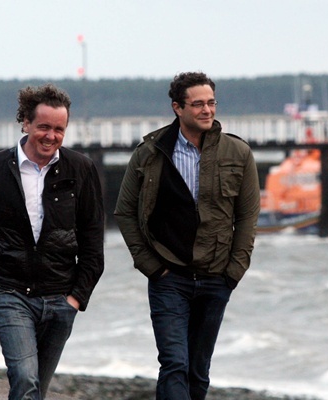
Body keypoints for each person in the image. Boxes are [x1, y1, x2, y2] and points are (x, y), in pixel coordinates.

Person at [0, 83, 105, 400]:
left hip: (60, 299)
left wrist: (76, 299)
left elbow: (93, 243)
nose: (50, 136)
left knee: (36, 389)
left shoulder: (81, 169)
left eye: (59, 129)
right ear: (25, 122)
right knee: (25, 381)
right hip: (10, 293)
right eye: (43, 127)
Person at [114, 71, 260, 400]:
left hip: (216, 276)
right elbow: (125, 212)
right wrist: (151, 265)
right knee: (173, 363)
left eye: (211, 103)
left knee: (197, 370)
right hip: (168, 276)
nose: (207, 110)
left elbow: (248, 215)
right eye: (198, 104)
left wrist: (234, 271)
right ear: (177, 108)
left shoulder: (238, 154)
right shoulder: (150, 153)